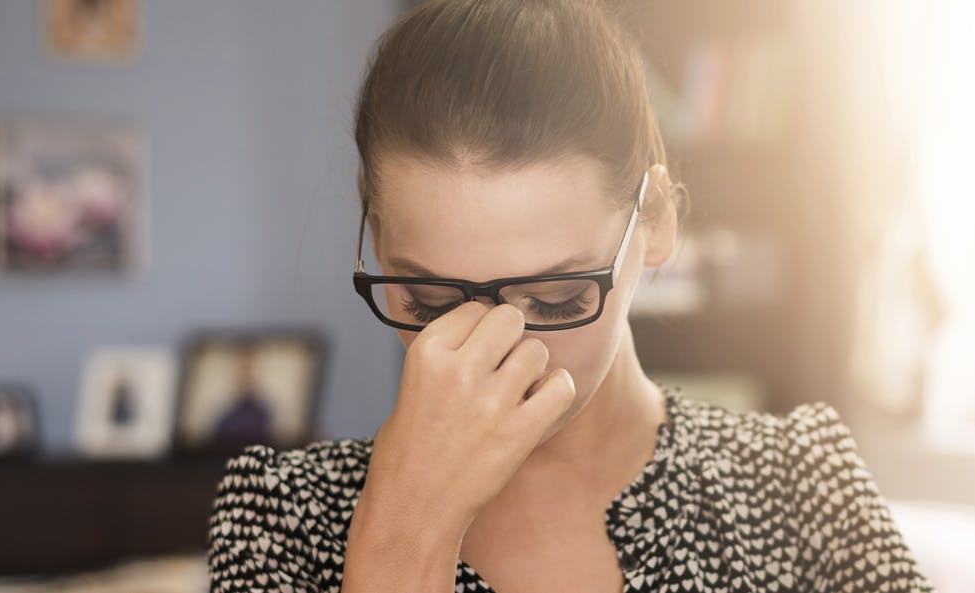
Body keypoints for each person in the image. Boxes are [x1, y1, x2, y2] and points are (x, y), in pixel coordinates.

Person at [208, 1, 932, 591]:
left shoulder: (801, 481)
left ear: (655, 220)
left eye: (553, 295)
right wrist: (403, 536)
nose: (497, 347)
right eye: (428, 298)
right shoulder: (280, 516)